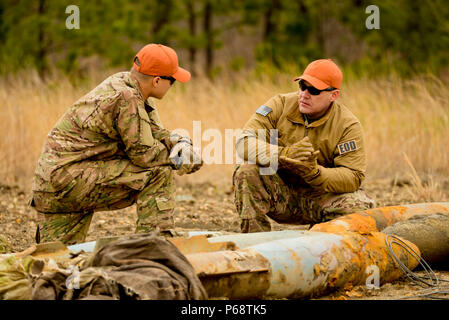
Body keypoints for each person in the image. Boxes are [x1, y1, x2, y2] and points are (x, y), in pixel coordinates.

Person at [31, 43, 202, 244]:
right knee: (158, 173)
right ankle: (153, 248)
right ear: (157, 80)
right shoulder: (127, 97)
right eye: (172, 80)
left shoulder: (126, 85)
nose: (173, 85)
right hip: (68, 181)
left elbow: (152, 132)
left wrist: (178, 142)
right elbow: (144, 155)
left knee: (56, 260)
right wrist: (179, 159)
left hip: (53, 185)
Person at [234, 59, 376, 233]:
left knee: (359, 205)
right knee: (246, 171)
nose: (305, 94)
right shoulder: (280, 105)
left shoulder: (347, 125)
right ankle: (254, 242)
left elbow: (353, 176)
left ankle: (322, 238)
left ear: (333, 95)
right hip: (281, 194)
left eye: (314, 90)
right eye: (302, 86)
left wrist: (315, 173)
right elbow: (244, 142)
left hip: (320, 197)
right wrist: (284, 154)